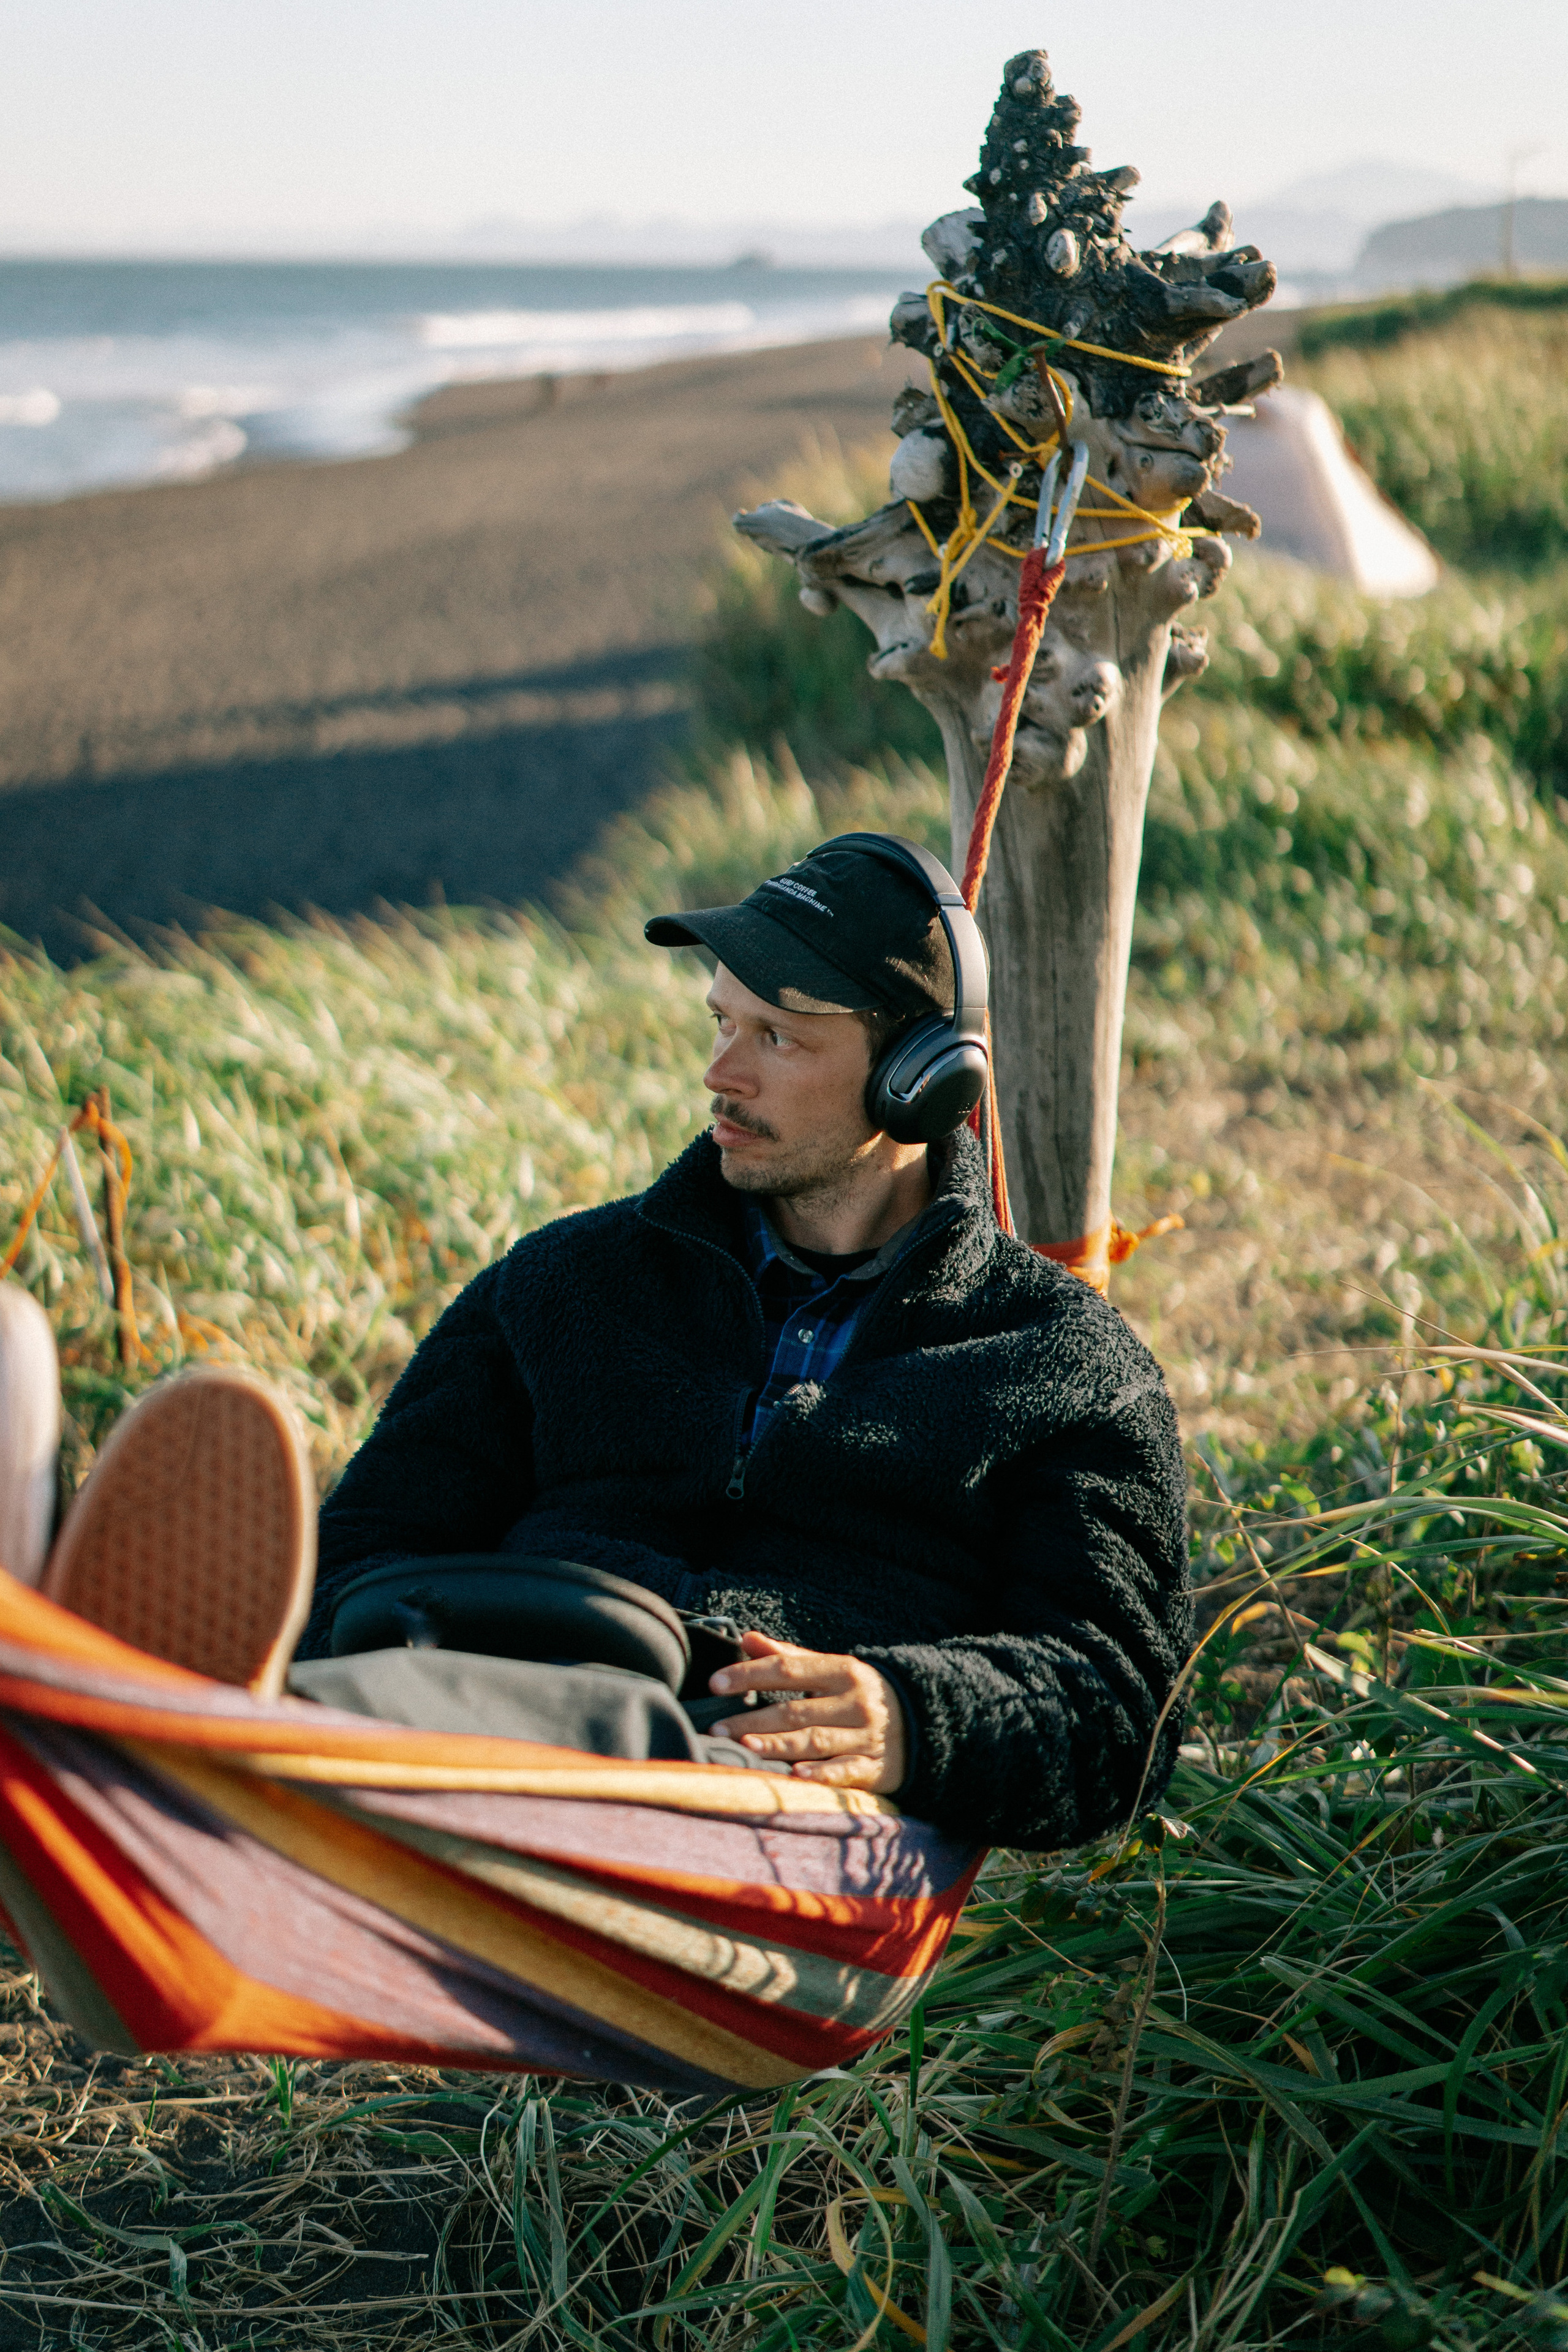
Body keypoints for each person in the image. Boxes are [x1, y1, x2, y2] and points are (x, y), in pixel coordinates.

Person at [2, 834, 1190, 1852]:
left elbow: (1121, 1711)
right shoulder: (562, 1284)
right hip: (472, 1720)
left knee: (604, 1716)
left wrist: (911, 1715)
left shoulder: (1057, 1365)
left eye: (778, 1038)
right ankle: (113, 1712)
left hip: (760, 1815)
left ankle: (139, 1737)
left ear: (919, 1083)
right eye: (722, 1021)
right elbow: (374, 1545)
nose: (719, 1073)